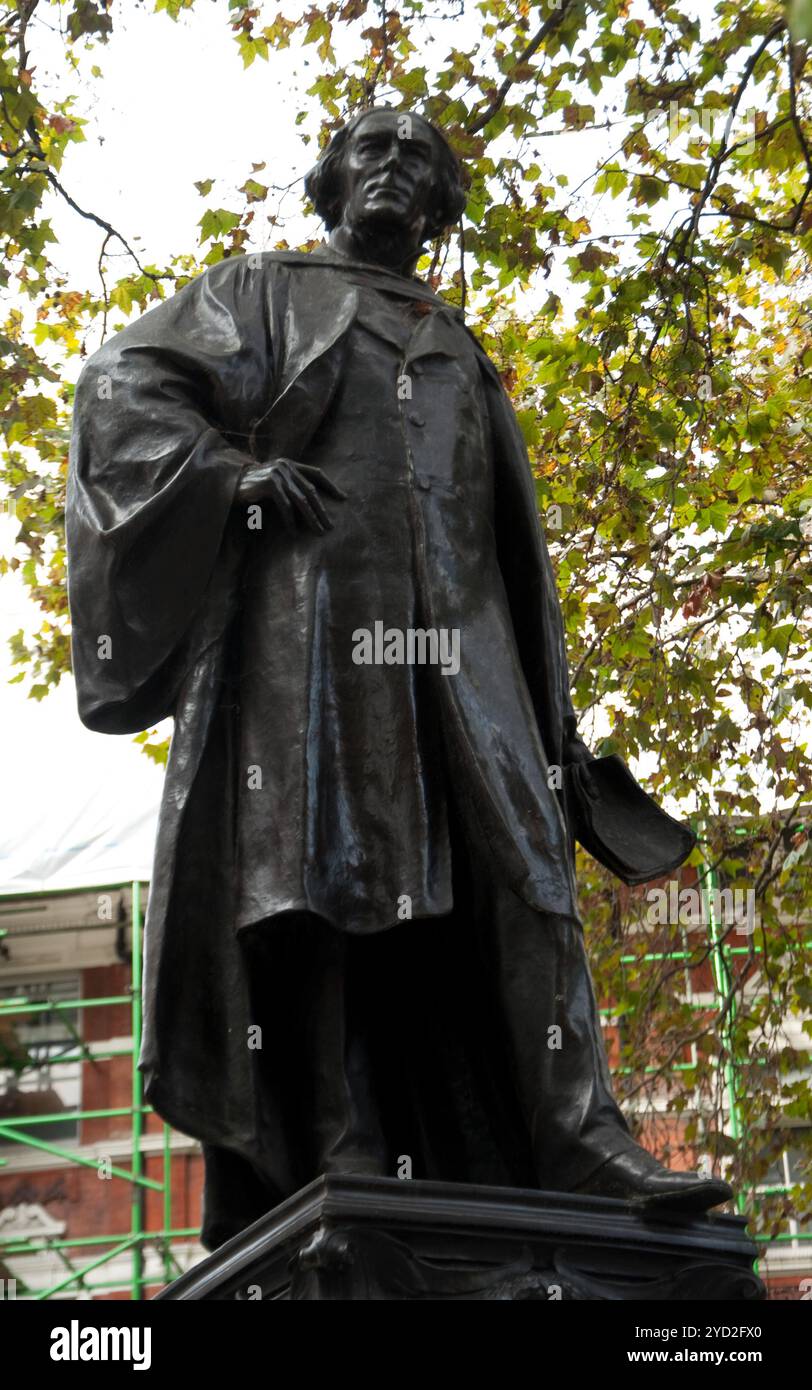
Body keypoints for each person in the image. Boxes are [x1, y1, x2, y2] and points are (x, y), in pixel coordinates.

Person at [67, 106, 731, 1250]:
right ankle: (343, 1145)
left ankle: (581, 1135)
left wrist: (551, 715)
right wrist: (230, 477)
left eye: (417, 160)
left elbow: (508, 545)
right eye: (369, 150)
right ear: (328, 184)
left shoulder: (458, 343)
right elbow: (121, 383)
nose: (391, 169)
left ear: (439, 209)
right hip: (317, 632)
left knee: (523, 875)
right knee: (327, 876)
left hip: (466, 658)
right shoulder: (259, 291)